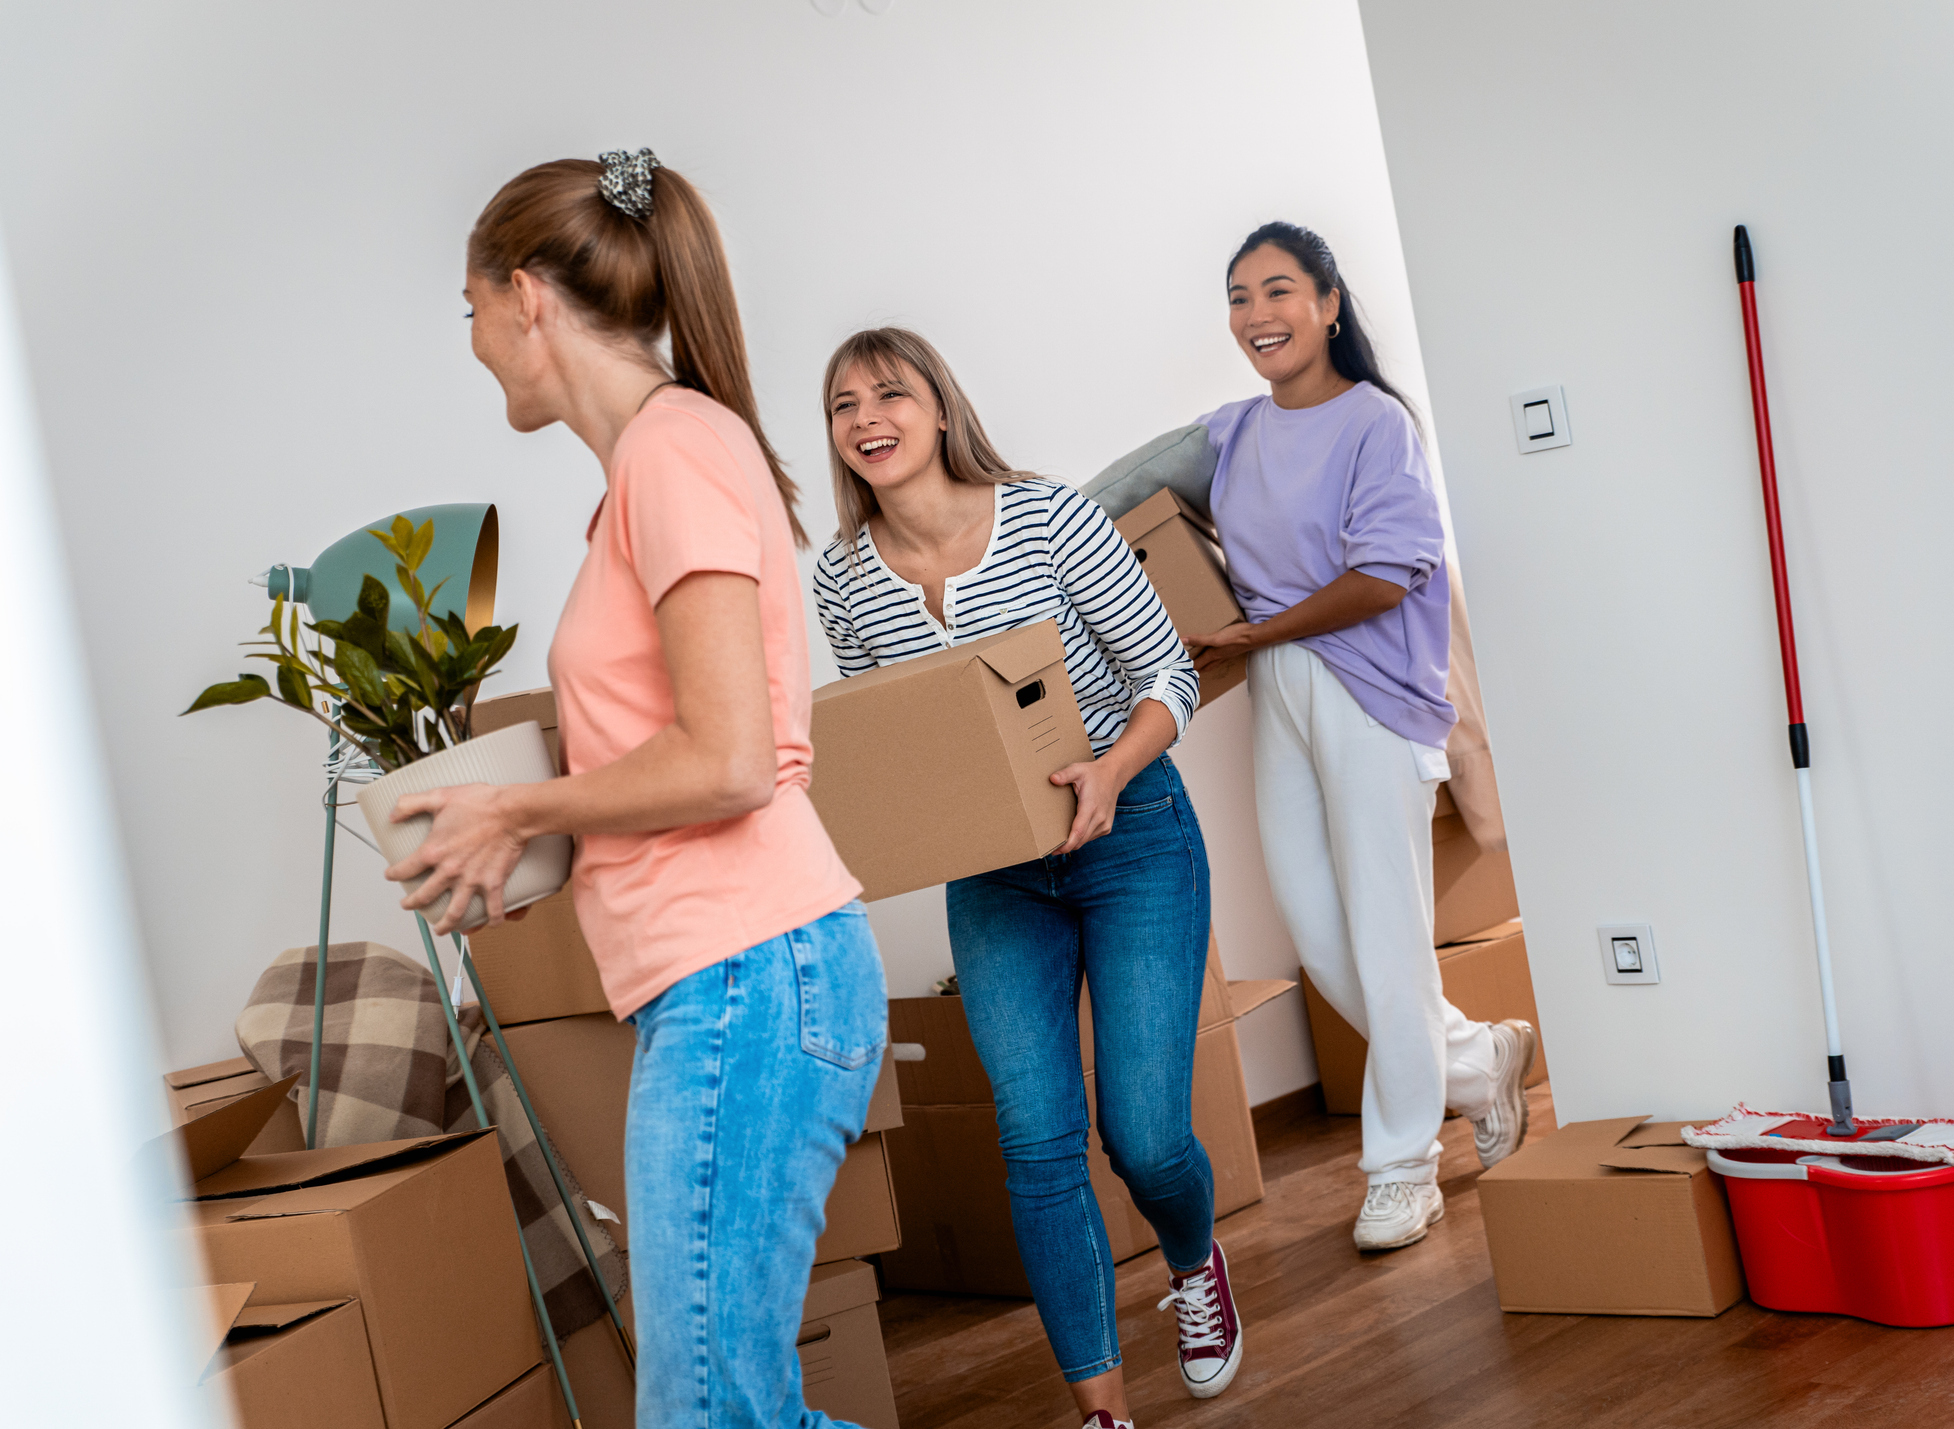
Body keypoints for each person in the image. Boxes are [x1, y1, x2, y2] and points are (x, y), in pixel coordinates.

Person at [386, 150, 881, 1429]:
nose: (478, 343)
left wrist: (517, 809)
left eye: (471, 312)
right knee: (732, 1407)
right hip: (730, 978)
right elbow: (684, 748)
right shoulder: (656, 467)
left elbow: (727, 760)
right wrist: (533, 839)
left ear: (524, 297)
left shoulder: (673, 453)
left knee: (707, 1413)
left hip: (749, 977)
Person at [811, 328, 1241, 1429]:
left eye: (888, 393)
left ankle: (1193, 1264)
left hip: (1131, 833)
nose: (866, 418)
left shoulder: (1049, 519)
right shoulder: (842, 577)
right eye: (842, 404)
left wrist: (1106, 771)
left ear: (939, 407)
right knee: (1036, 1141)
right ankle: (1101, 1410)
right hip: (995, 878)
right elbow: (897, 737)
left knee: (1142, 1137)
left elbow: (1165, 671)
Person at [1183, 222, 1536, 1253]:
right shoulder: (1229, 432)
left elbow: (1384, 575)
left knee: (1385, 937)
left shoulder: (1376, 423)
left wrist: (1257, 628)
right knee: (1323, 935)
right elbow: (1109, 494)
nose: (1256, 315)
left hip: (1367, 686)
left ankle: (1400, 1168)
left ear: (1329, 302)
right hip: (1276, 686)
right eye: (1238, 296)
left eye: (1278, 290)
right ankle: (1479, 1061)